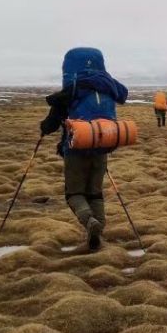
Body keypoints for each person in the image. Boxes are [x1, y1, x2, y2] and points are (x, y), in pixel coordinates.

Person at [39, 47, 128, 251]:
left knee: (74, 193)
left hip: (76, 149)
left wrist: (44, 129)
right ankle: (99, 228)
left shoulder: (72, 89)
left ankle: (90, 222)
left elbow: (51, 124)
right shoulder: (110, 87)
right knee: (95, 193)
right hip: (102, 146)